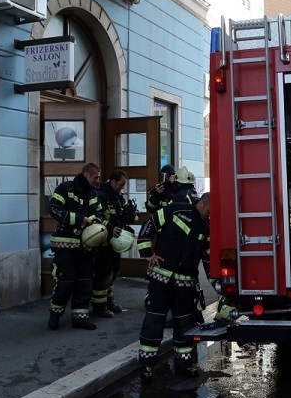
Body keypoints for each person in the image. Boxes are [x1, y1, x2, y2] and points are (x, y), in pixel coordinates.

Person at [136, 192, 211, 381]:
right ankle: (145, 367)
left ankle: (184, 366)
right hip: (161, 280)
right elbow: (149, 224)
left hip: (185, 285)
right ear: (201, 203)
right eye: (210, 208)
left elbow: (208, 257)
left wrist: (217, 283)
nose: (211, 213)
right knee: (153, 323)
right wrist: (147, 252)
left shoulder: (208, 227)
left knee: (184, 326)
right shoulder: (177, 209)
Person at [47, 162, 104, 330]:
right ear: (86, 174)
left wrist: (95, 221)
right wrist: (79, 219)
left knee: (85, 283)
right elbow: (54, 209)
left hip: (86, 247)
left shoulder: (94, 194)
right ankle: (55, 314)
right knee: (65, 282)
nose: (97, 180)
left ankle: (80, 318)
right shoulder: (65, 189)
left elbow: (99, 213)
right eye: (96, 177)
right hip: (65, 245)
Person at [90, 168, 137, 318]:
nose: (123, 187)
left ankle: (109, 301)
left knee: (113, 273)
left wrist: (130, 214)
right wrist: (110, 227)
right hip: (103, 243)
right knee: (103, 274)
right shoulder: (101, 195)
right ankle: (99, 306)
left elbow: (120, 217)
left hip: (114, 242)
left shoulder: (117, 196)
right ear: (113, 181)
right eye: (121, 184)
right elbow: (95, 217)